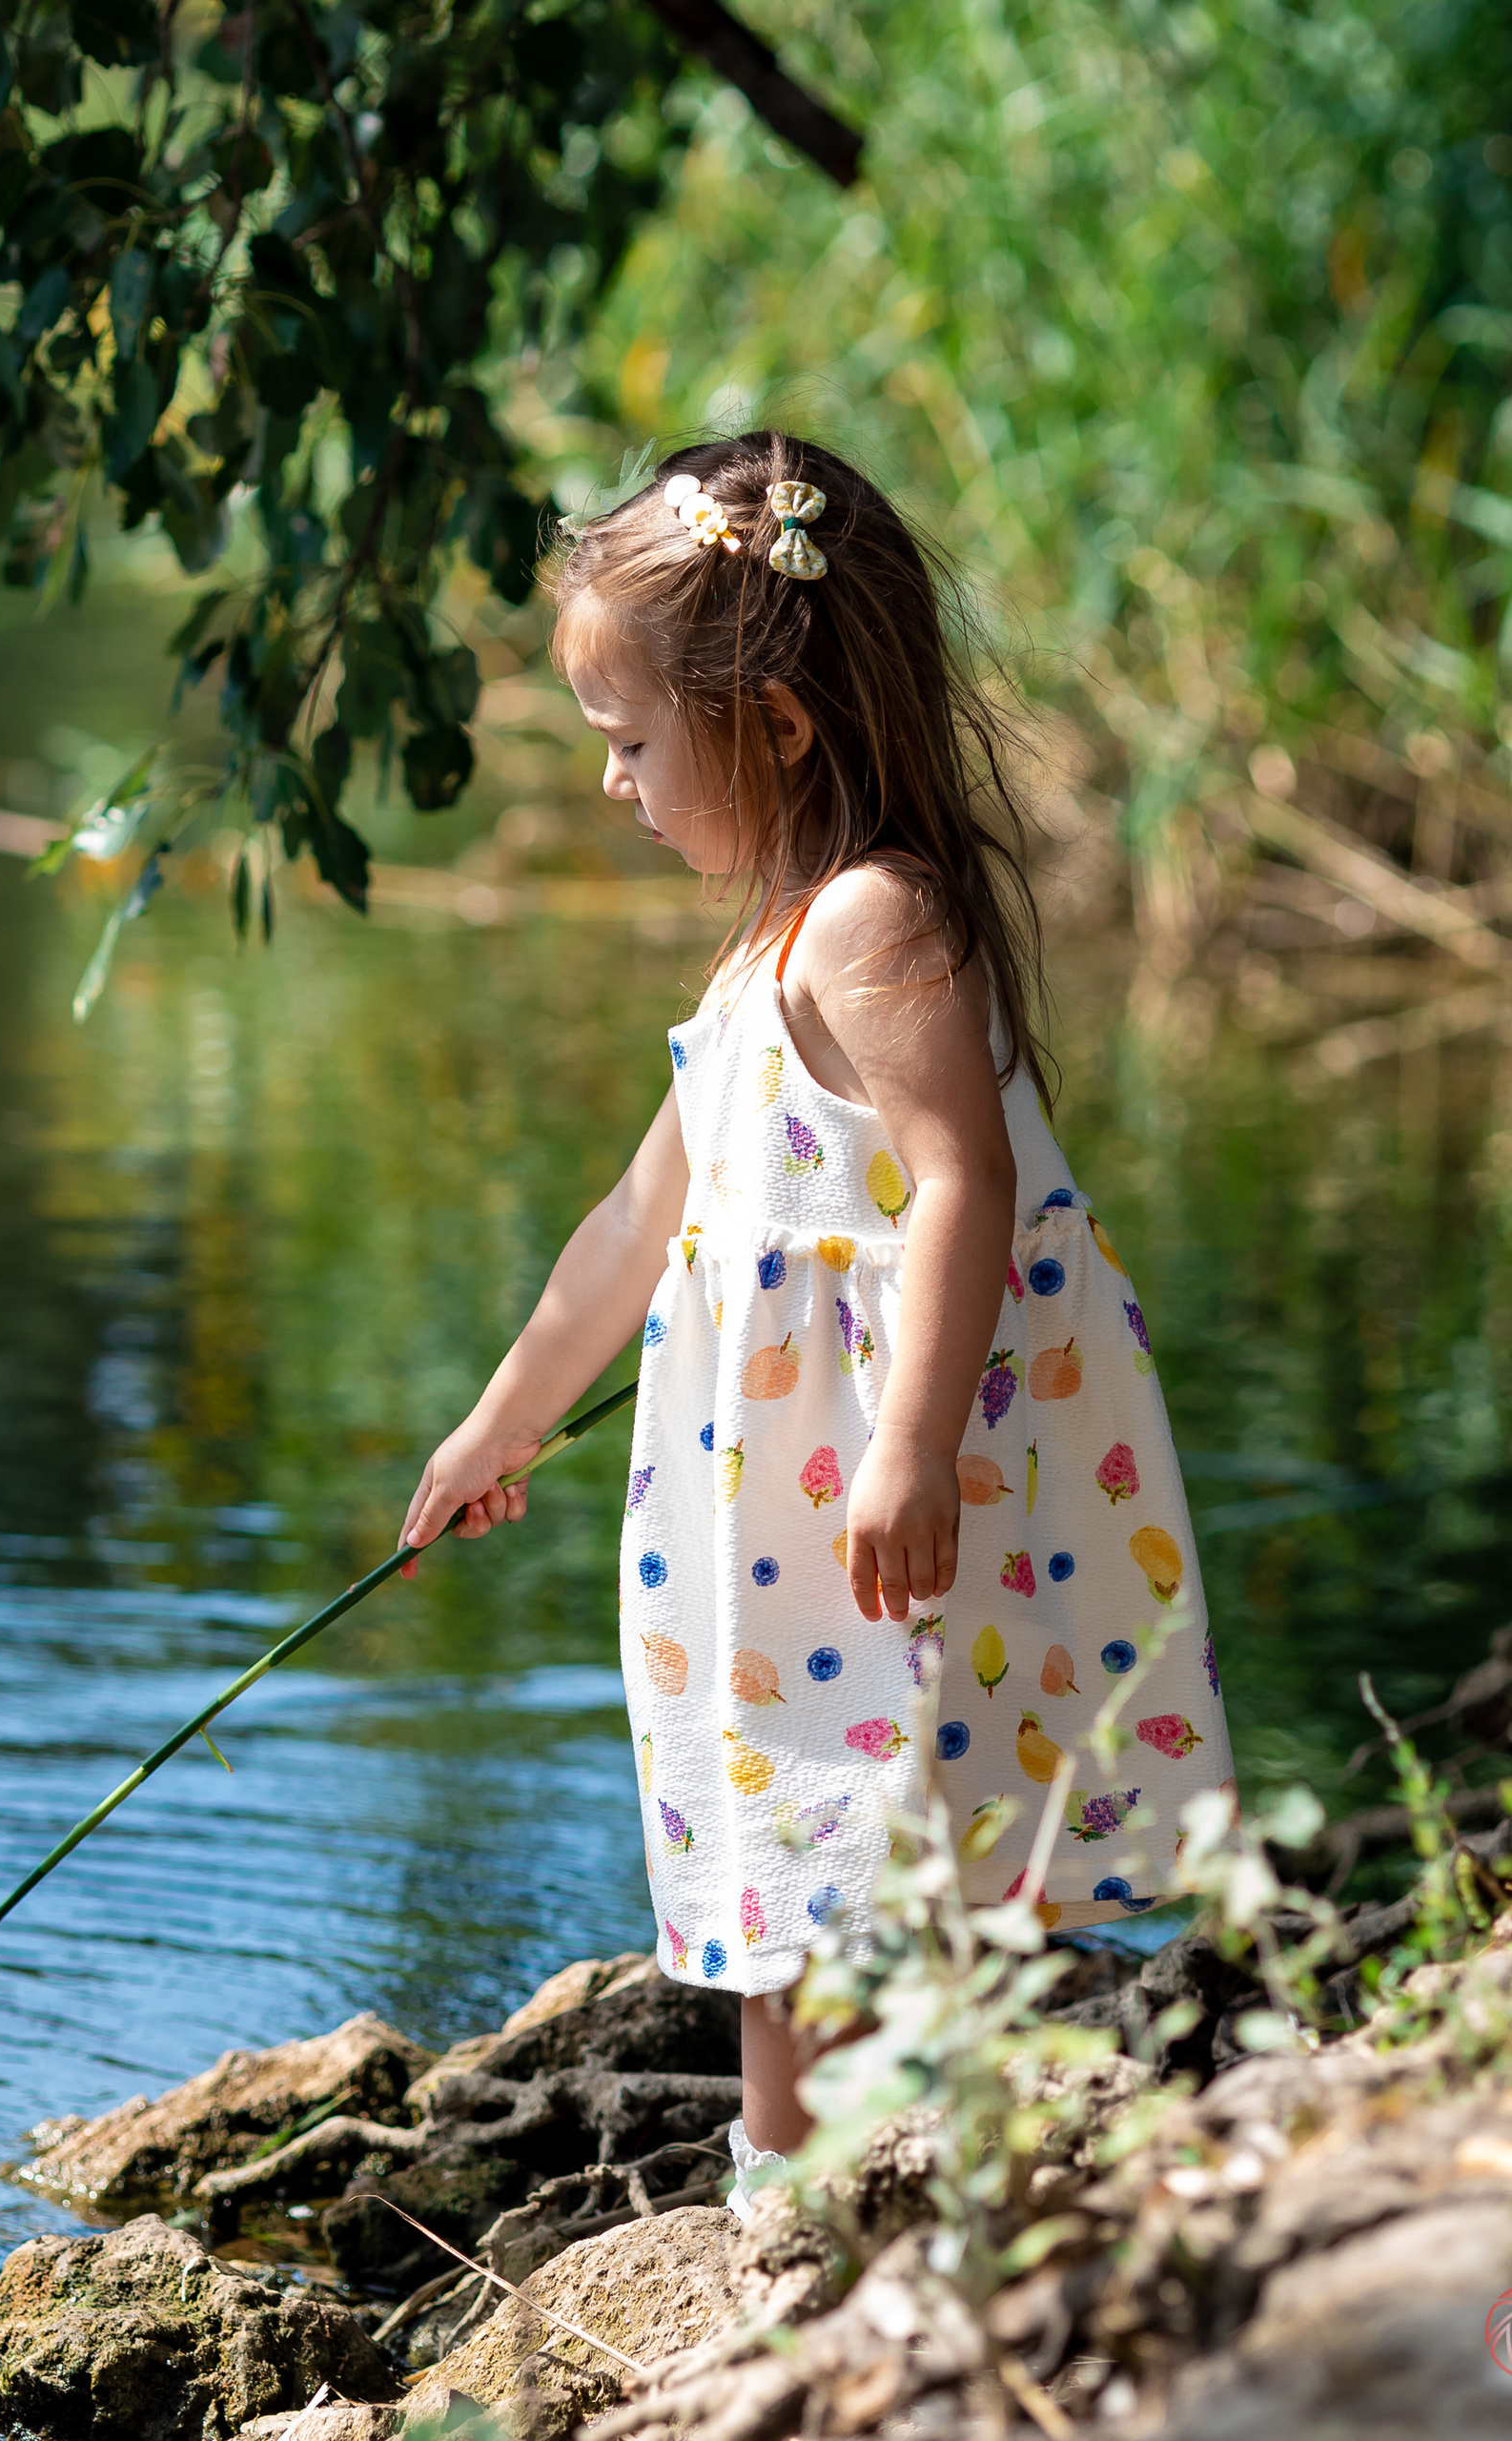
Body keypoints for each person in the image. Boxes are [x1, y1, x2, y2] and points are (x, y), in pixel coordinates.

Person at [399, 433, 1235, 2223]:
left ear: (772, 723)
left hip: (872, 1479)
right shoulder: (763, 950)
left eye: (633, 744)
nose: (616, 785)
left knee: (885, 1808)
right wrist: (500, 1426)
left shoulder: (877, 921)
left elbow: (961, 1186)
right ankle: (797, 2175)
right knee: (794, 1815)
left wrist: (914, 1444)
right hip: (767, 1513)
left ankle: (897, 2173)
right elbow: (637, 1225)